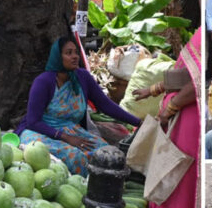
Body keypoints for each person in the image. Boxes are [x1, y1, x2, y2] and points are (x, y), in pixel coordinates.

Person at [16, 37, 141, 176]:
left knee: (106, 154)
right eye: (69, 53)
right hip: (41, 132)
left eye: (76, 52)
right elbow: (33, 122)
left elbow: (106, 105)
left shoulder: (82, 77)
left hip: (72, 130)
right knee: (75, 156)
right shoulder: (43, 82)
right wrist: (65, 137)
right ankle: (85, 190)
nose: (75, 56)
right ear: (58, 57)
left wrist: (138, 122)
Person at [133, 28, 202, 208]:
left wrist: (170, 107)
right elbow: (185, 75)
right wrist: (153, 90)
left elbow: (197, 83)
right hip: (180, 118)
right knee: (167, 176)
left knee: (173, 181)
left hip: (187, 120)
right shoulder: (203, 32)